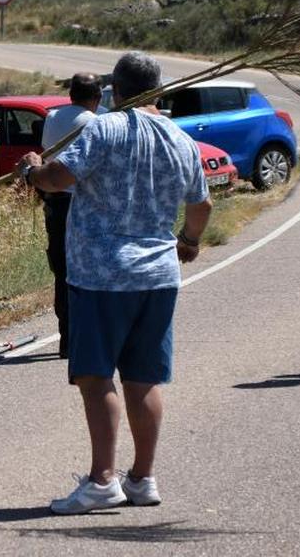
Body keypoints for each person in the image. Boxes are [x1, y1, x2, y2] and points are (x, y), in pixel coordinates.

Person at [20, 52, 212, 514]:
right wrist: (188, 241)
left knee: (95, 375)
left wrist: (31, 170)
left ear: (116, 91)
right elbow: (201, 205)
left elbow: (57, 177)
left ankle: (103, 479)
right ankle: (143, 477)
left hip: (101, 273)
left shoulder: (103, 129)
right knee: (144, 377)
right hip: (158, 273)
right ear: (159, 92)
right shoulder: (180, 139)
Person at [40, 72, 102, 358]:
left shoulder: (53, 117)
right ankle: (83, 334)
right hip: (81, 204)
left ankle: (66, 336)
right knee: (84, 270)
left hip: (54, 201)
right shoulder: (95, 123)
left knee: (62, 270)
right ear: (97, 97)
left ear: (71, 94)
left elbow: (46, 155)